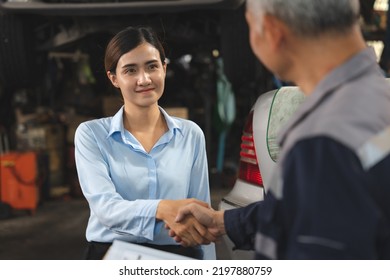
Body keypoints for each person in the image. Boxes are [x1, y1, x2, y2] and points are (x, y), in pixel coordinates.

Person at [172, 0, 390, 259]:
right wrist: (224, 222)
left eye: (250, 26)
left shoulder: (323, 142)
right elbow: (317, 206)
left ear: (273, 32)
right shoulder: (376, 103)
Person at [74, 26, 216, 260]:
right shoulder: (91, 135)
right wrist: (162, 209)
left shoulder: (191, 135)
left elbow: (200, 216)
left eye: (152, 66)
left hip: (178, 257)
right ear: (114, 78)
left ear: (164, 68)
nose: (144, 79)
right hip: (111, 256)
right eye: (130, 70)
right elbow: (106, 209)